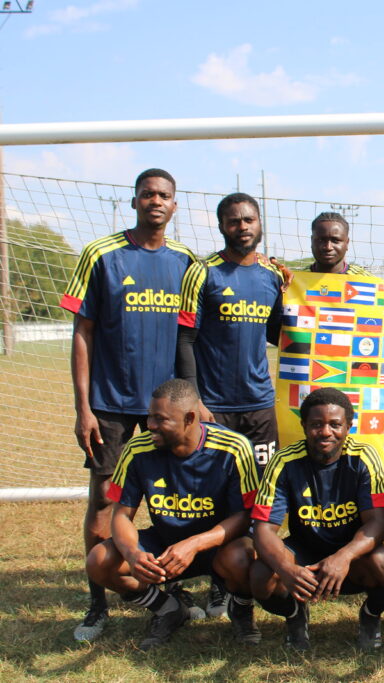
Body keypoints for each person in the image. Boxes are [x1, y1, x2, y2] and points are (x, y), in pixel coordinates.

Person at [60, 168, 197, 642]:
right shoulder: (102, 255)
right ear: (134, 202)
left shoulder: (185, 261)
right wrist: (84, 408)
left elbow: (193, 330)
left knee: (174, 496)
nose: (155, 201)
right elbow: (83, 332)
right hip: (111, 403)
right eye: (147, 195)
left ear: (174, 205)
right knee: (105, 500)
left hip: (166, 407)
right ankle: (97, 603)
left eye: (164, 195)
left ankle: (172, 589)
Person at [84, 379, 259, 651]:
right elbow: (121, 515)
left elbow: (246, 515)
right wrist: (132, 553)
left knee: (243, 557)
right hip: (165, 547)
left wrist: (194, 544)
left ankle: (241, 610)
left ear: (190, 418)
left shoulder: (234, 447)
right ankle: (167, 608)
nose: (150, 424)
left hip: (219, 546)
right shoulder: (138, 449)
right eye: (150, 416)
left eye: (160, 419)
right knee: (100, 560)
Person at [245, 388, 384, 651]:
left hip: (352, 555)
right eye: (317, 424)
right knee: (261, 575)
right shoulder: (284, 461)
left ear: (348, 426)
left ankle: (371, 616)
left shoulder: (363, 457)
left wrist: (343, 557)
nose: (326, 432)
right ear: (304, 426)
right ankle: (294, 615)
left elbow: (377, 523)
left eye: (335, 424)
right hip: (304, 552)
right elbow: (264, 530)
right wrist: (285, 568)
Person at [177, 192, 283, 473]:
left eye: (249, 220)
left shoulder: (273, 276)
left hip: (259, 404)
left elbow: (278, 334)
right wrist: (195, 399)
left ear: (260, 224)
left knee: (263, 486)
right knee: (214, 490)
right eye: (234, 221)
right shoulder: (203, 272)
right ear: (222, 226)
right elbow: (185, 339)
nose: (243, 227)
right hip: (214, 406)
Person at [308, 211, 374, 275]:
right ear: (312, 241)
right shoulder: (298, 278)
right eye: (321, 240)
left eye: (335, 241)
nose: (328, 247)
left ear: (347, 243)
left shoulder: (365, 281)